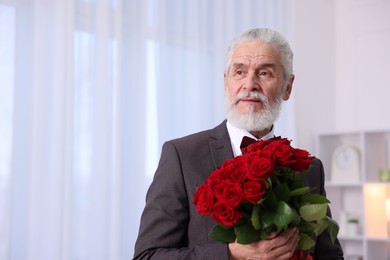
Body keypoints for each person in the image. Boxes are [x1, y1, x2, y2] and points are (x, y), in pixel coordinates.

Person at [133, 28, 344, 260]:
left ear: (288, 87)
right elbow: (147, 256)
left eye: (264, 73)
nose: (250, 84)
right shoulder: (181, 155)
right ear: (226, 82)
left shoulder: (311, 169)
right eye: (240, 72)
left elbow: (329, 256)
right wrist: (230, 254)